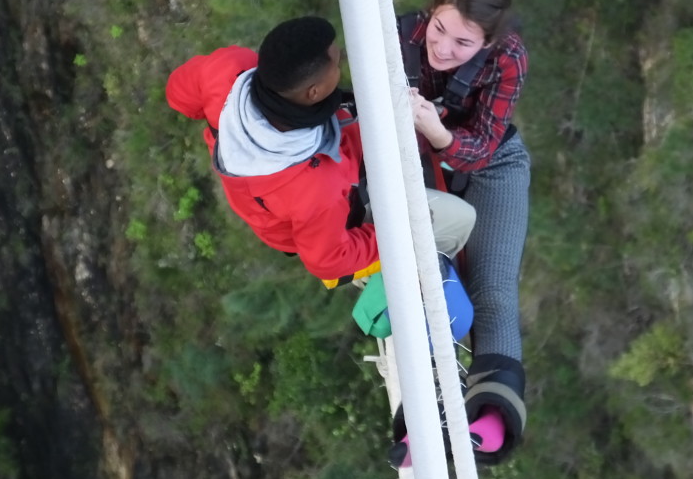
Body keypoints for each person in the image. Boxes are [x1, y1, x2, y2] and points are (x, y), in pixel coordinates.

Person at [165, 16, 476, 288]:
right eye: (336, 64)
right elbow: (328, 261)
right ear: (312, 92)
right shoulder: (317, 189)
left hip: (287, 205)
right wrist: (393, 235)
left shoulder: (227, 71)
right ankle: (416, 277)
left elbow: (178, 94)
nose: (341, 68)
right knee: (460, 218)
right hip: (333, 226)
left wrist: (223, 121)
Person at [398, 0, 531, 464]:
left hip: (490, 165)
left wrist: (438, 131)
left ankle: (491, 420)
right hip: (418, 162)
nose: (444, 48)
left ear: (489, 42)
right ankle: (423, 420)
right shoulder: (400, 34)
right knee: (433, 284)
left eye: (462, 42)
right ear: (430, 13)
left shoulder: (508, 59)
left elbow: (482, 145)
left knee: (492, 291)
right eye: (439, 30)